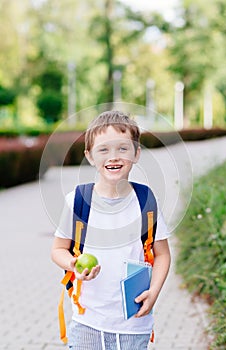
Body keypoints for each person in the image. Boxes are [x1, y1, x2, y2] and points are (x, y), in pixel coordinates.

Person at [51, 110, 171, 350]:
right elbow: (58, 250)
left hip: (134, 323)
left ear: (136, 153)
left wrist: (154, 292)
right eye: (103, 149)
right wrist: (73, 265)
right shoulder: (78, 200)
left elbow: (163, 254)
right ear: (90, 155)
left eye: (122, 149)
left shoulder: (145, 201)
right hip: (87, 322)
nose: (113, 157)